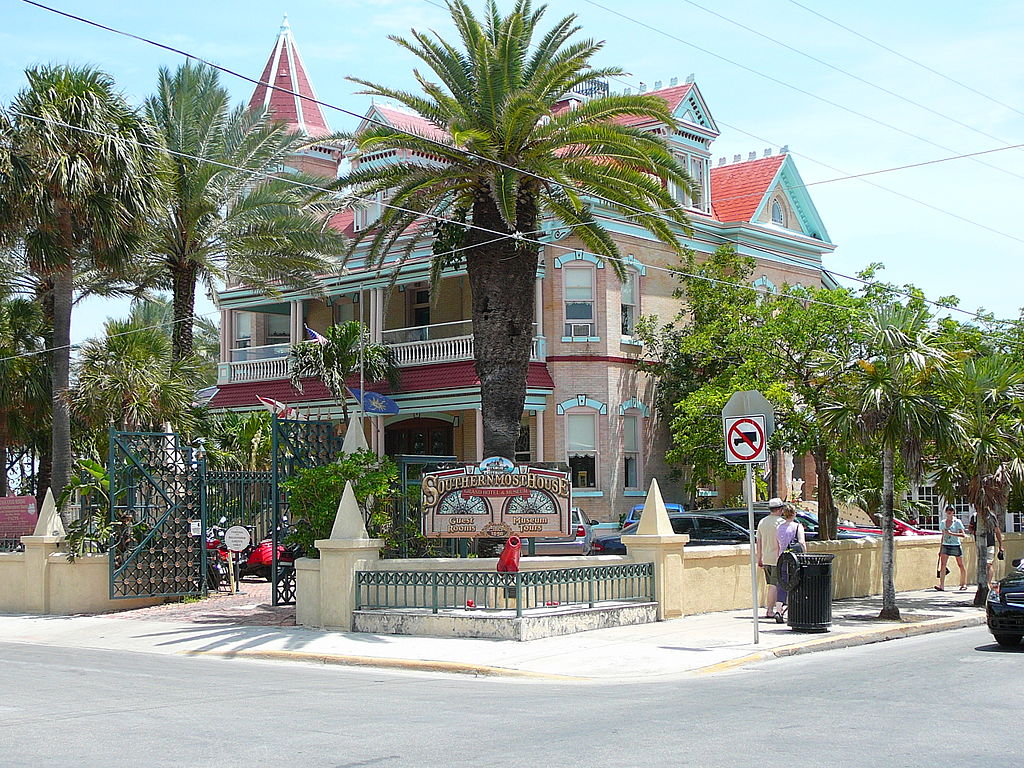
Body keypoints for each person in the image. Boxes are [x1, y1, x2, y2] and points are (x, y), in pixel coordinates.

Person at [772, 504, 806, 622]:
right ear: (794, 513)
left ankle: (778, 610)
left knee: (782, 584)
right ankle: (796, 609)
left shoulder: (779, 527)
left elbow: (777, 546)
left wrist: (778, 558)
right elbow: (801, 542)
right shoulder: (797, 527)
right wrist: (805, 554)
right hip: (795, 560)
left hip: (782, 559)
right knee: (796, 583)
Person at [756, 498, 785, 618]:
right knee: (774, 585)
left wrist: (759, 558)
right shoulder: (781, 522)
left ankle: (772, 608)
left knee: (770, 584)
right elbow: (781, 542)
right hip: (776, 558)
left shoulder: (762, 522)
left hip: (766, 558)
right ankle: (770, 610)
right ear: (780, 509)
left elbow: (759, 541)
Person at [935, 505, 967, 591]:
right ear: (945, 512)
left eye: (951, 510)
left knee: (960, 564)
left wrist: (952, 534)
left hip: (955, 545)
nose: (949, 512)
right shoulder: (943, 522)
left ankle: (963, 584)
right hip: (946, 545)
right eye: (948, 510)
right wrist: (940, 549)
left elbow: (963, 535)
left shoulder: (957, 522)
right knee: (943, 565)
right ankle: (941, 585)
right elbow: (943, 536)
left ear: (953, 512)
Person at [969, 511, 1005, 585]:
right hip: (979, 544)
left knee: (989, 564)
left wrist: (1001, 545)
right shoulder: (975, 516)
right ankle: (982, 583)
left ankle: (988, 583)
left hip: (990, 543)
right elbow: (970, 529)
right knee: (981, 563)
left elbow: (997, 531)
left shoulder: (991, 516)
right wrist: (977, 532)